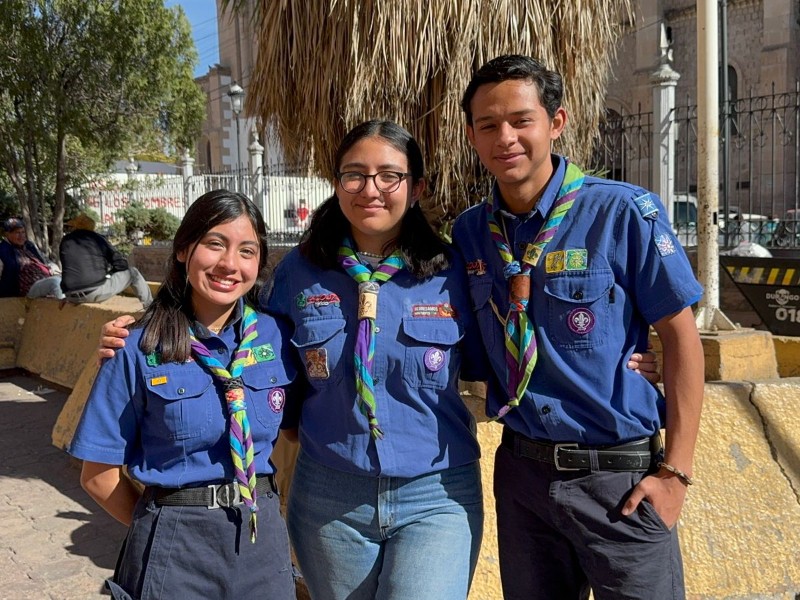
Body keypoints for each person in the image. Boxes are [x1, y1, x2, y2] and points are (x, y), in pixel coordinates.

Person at [97, 123, 661, 598]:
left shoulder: (450, 270)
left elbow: (514, 342)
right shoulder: (296, 274)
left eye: (390, 175)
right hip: (328, 497)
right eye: (355, 174)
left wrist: (630, 357)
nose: (372, 188)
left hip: (435, 493)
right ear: (336, 184)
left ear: (414, 189)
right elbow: (242, 351)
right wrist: (135, 337)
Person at [452, 55, 705, 599]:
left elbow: (683, 338)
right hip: (523, 479)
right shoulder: (471, 233)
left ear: (556, 122)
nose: (506, 138)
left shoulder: (623, 213)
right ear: (472, 135)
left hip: (618, 481)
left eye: (522, 120)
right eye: (489, 125)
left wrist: (676, 474)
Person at [69, 190, 298, 599]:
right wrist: (158, 530)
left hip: (261, 538)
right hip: (175, 543)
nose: (230, 264)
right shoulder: (136, 347)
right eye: (214, 244)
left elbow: (302, 424)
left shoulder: (276, 336)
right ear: (182, 250)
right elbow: (98, 477)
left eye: (247, 250)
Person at [60, 213, 152, 308]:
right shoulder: (98, 239)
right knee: (133, 273)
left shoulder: (65, 241)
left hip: (70, 295)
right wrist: (110, 273)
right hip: (94, 293)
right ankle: (150, 308)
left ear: (75, 226)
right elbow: (121, 264)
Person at [0, 217, 64, 299]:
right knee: (55, 282)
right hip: (27, 289)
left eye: (23, 232)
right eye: (17, 233)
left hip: (45, 279)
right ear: (7, 234)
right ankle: (65, 311)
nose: (21, 236)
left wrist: (54, 269)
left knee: (69, 280)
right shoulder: (2, 251)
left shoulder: (29, 245)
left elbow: (45, 260)